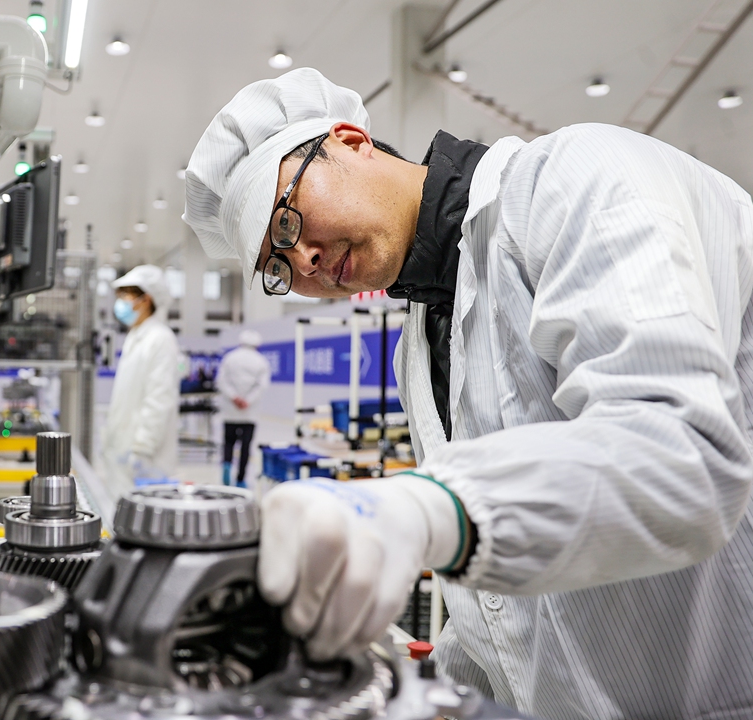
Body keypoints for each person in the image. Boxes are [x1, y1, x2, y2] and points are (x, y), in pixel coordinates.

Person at [183, 67, 753, 719]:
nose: (304, 262)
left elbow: (685, 456)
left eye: (285, 223)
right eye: (277, 267)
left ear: (349, 139)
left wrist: (427, 510)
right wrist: (426, 694)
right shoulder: (420, 339)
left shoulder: (577, 178)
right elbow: (500, 614)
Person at [99, 265, 180, 498]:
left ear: (146, 300)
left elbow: (159, 398)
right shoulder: (136, 337)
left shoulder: (160, 339)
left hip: (144, 458)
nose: (121, 303)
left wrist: (142, 449)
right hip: (123, 452)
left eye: (126, 296)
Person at [215, 329, 271, 487]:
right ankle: (240, 478)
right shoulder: (261, 361)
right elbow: (262, 386)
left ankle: (226, 465)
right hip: (249, 412)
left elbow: (221, 381)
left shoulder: (230, 358)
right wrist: (247, 401)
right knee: (245, 446)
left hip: (230, 410)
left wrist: (234, 397)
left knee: (228, 442)